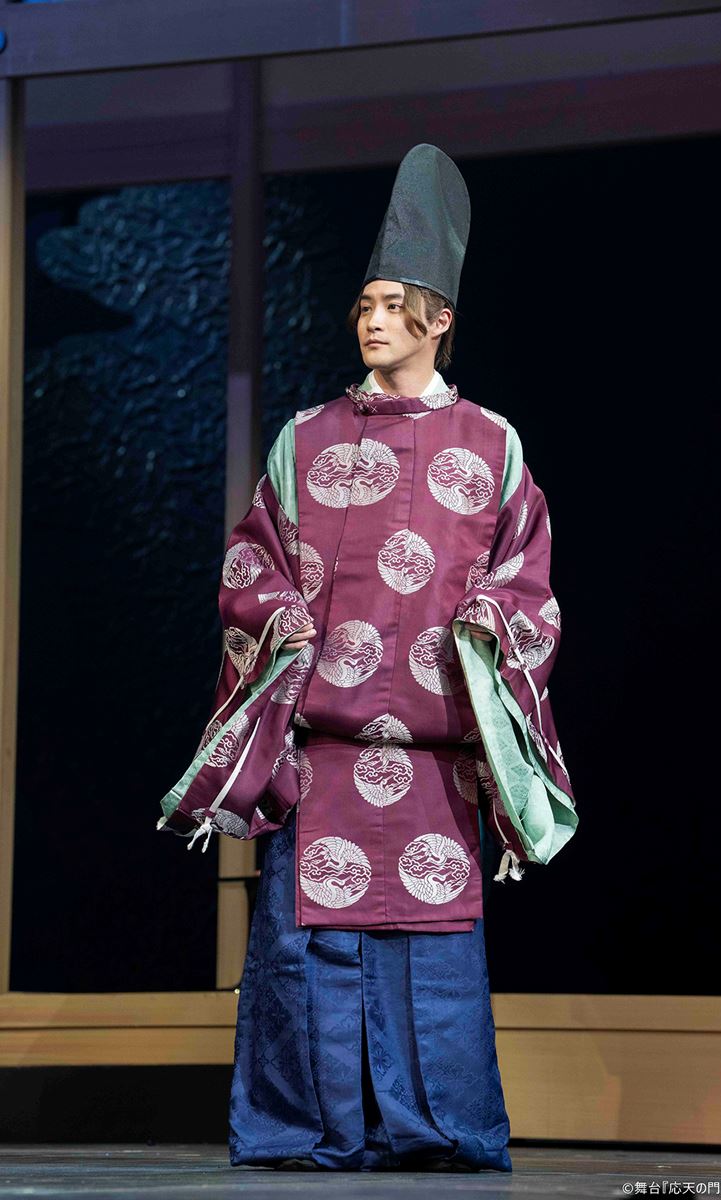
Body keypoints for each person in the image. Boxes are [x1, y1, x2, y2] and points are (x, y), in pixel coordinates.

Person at [157, 143, 578, 1172]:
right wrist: (281, 619)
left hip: (436, 769)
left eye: (395, 305)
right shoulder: (304, 440)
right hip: (327, 761)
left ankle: (436, 1130)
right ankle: (306, 1127)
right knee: (305, 964)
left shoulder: (492, 446)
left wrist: (490, 621)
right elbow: (250, 565)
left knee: (434, 966)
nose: (373, 320)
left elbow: (529, 581)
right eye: (365, 305)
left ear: (439, 321)